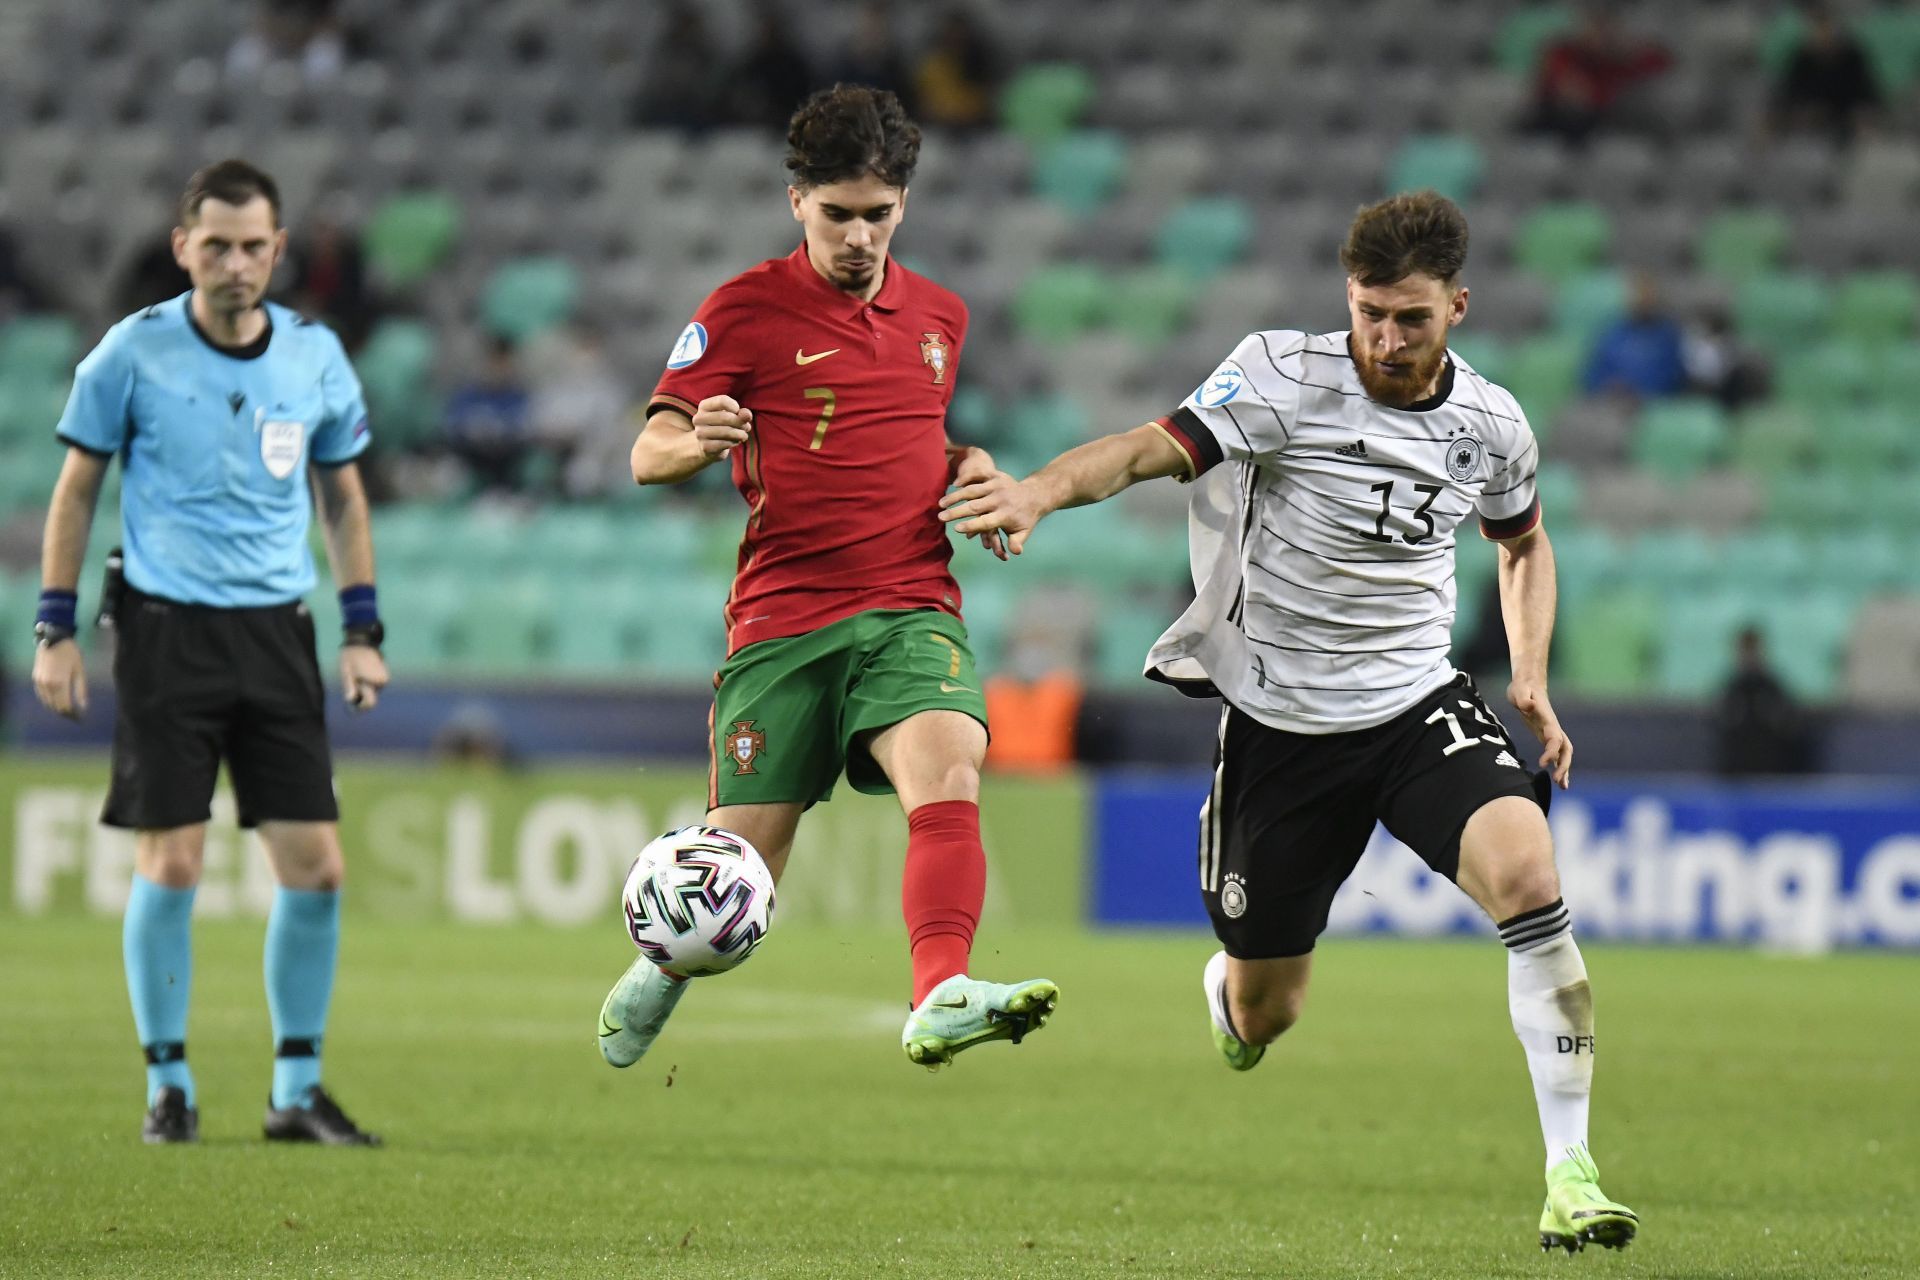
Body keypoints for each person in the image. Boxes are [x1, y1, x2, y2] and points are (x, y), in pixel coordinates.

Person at [944, 191, 1639, 1251]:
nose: (1386, 340)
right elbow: (1145, 448)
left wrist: (1530, 674)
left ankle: (1571, 1170)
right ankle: (1230, 991)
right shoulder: (1280, 375)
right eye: (1368, 313)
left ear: (1458, 306)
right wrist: (1039, 491)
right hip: (1280, 728)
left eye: (1411, 318)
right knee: (1270, 1010)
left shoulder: (1492, 424)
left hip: (1416, 702)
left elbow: (1523, 544)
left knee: (1530, 874)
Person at [596, 84, 1056, 1073]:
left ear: (905, 204)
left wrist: (967, 466)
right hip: (785, 619)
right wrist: (695, 441)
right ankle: (664, 967)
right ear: (795, 199)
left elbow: (901, 434)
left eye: (876, 214)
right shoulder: (744, 308)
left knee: (951, 768)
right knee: (738, 875)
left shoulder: (941, 316)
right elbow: (649, 449)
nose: (857, 235)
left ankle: (940, 990)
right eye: (836, 213)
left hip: (908, 603)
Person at [31, 160, 387, 1147]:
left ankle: (296, 1089)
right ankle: (169, 1083)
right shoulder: (131, 353)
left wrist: (362, 630)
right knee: (174, 858)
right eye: (216, 244)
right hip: (164, 630)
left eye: (253, 245)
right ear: (183, 247)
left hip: (278, 633)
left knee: (316, 866)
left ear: (280, 251)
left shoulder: (314, 355)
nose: (236, 263)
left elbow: (345, 497)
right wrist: (53, 630)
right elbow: (74, 493)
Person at [1526, 6, 1671, 145]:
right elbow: (1570, 88)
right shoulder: (1564, 54)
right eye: (1595, 28)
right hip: (1558, 122)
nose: (1600, 36)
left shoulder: (1617, 62)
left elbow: (1660, 62)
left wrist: (1629, 51)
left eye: (1606, 30)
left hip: (1605, 125)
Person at [1770, 5, 1881, 147]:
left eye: (1828, 29)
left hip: (1847, 114)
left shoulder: (1853, 57)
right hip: (1812, 115)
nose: (1824, 35)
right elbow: (1790, 93)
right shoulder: (1801, 59)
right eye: (1818, 29)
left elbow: (1867, 93)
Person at [1714, 625, 1812, 776]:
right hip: (1737, 777)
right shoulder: (1732, 689)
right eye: (1745, 650)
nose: (1748, 656)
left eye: (1752, 650)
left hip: (1771, 773)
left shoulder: (1773, 687)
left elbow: (1791, 729)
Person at [1581, 273, 1687, 401]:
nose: (1642, 303)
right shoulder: (1611, 333)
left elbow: (1673, 377)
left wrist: (1640, 392)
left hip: (1653, 404)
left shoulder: (1668, 337)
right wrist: (1610, 387)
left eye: (1647, 298)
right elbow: (1593, 373)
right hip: (1611, 402)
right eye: (1637, 297)